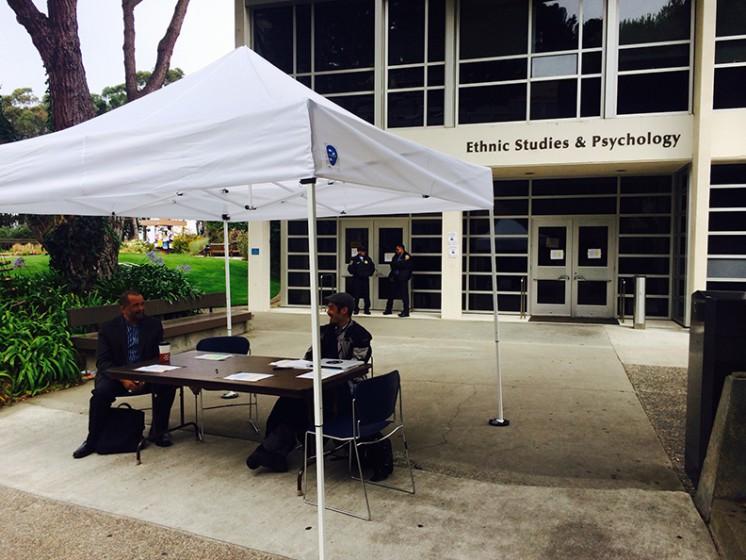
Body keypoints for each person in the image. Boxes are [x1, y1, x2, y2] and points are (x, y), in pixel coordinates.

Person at [246, 292, 372, 473]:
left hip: (344, 389)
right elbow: (309, 356)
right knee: (287, 400)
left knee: (299, 405)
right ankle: (271, 451)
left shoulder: (360, 335)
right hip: (317, 383)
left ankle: (271, 451)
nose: (328, 312)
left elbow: (356, 367)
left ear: (344, 311)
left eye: (331, 308)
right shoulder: (323, 331)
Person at [72, 290, 177, 459]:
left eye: (142, 304)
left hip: (145, 372)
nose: (140, 308)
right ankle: (92, 440)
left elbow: (156, 356)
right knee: (100, 394)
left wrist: (145, 375)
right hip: (116, 374)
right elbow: (103, 362)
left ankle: (160, 429)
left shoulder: (153, 325)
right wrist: (123, 378)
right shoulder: (108, 329)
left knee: (168, 384)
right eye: (135, 305)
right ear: (123, 308)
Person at [383, 243, 413, 317]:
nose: (396, 251)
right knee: (391, 294)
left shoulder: (407, 256)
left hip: (402, 278)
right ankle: (388, 309)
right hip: (394, 277)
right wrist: (399, 264)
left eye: (398, 249)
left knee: (404, 295)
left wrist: (399, 264)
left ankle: (406, 311)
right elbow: (392, 264)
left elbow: (406, 266)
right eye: (396, 249)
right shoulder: (395, 256)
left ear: (402, 249)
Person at [347, 245, 375, 315]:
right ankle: (356, 308)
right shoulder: (354, 259)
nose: (363, 253)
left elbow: (372, 267)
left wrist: (369, 273)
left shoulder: (368, 259)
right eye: (362, 251)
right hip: (357, 279)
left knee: (366, 294)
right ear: (358, 251)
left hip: (365, 279)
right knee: (356, 294)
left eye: (364, 251)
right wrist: (356, 273)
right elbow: (350, 268)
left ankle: (367, 309)